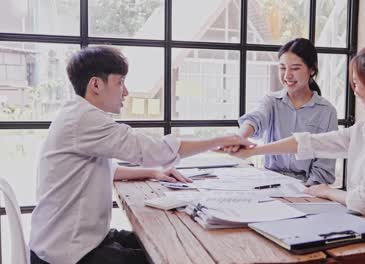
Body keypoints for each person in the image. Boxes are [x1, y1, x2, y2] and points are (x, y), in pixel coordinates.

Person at [29, 46, 254, 264]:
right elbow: (153, 150)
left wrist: (154, 172)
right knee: (171, 255)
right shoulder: (83, 120)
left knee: (161, 242)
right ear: (96, 84)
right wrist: (219, 140)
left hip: (73, 241)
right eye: (120, 83)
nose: (125, 92)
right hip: (69, 253)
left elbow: (108, 169)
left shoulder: (75, 114)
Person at [229, 42, 365, 226]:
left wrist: (327, 191)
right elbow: (309, 143)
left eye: (356, 83)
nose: (355, 91)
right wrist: (254, 151)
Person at [226, 38, 338, 185]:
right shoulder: (271, 101)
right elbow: (255, 119)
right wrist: (240, 138)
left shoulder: (326, 111)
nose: (287, 75)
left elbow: (324, 166)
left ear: (311, 70)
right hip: (268, 183)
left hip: (307, 188)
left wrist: (305, 192)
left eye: (295, 68)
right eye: (283, 68)